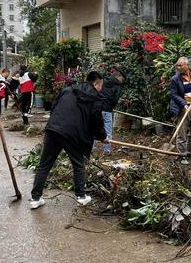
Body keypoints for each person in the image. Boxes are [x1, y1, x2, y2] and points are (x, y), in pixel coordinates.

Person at [30, 71, 108, 210]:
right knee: (78, 164)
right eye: (101, 85)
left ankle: (35, 199)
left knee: (44, 164)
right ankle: (81, 196)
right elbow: (96, 120)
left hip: (53, 129)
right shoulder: (95, 98)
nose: (101, 89)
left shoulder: (68, 89)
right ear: (96, 84)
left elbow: (54, 107)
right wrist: (102, 136)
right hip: (72, 134)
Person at [99, 67, 126, 155]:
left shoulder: (103, 80)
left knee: (92, 129)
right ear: (118, 76)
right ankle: (107, 151)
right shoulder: (117, 86)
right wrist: (113, 107)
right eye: (122, 79)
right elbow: (115, 99)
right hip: (107, 110)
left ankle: (88, 150)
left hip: (97, 109)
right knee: (107, 131)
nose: (122, 81)